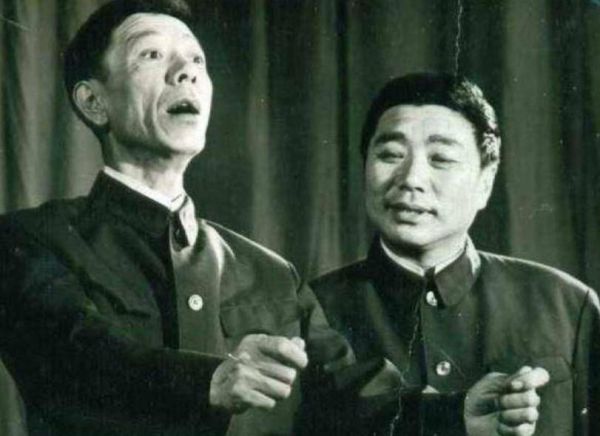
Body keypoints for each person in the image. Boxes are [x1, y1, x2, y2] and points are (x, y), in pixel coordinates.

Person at [0, 1, 349, 434]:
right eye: (151, 54)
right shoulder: (28, 240)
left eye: (196, 59)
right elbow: (74, 357)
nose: (186, 72)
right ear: (93, 102)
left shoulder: (274, 273)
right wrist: (207, 381)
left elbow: (357, 400)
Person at [310, 72, 600, 435]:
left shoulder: (567, 307)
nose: (411, 178)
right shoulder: (312, 309)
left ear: (486, 181)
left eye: (441, 159)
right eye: (390, 155)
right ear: (364, 167)